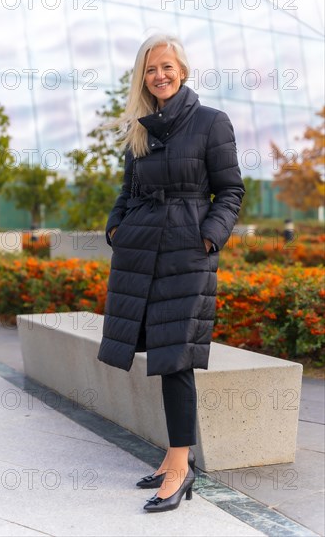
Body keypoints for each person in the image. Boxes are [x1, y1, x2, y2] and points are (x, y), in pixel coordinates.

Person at [97, 33, 245, 513]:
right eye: (150, 69)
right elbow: (127, 190)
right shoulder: (138, 128)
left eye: (166, 66)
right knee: (160, 355)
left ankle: (181, 468)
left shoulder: (210, 122)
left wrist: (208, 238)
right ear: (142, 76)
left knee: (176, 358)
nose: (159, 75)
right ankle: (172, 455)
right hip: (139, 253)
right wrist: (115, 227)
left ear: (182, 70)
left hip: (186, 255)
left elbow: (231, 191)